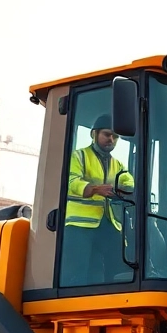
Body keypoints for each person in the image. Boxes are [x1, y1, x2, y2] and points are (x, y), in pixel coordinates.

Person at [64, 115, 135, 285]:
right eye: (107, 134)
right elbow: (71, 181)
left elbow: (129, 181)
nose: (111, 139)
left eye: (115, 136)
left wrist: (125, 188)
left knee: (119, 261)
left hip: (107, 220)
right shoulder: (79, 156)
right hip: (79, 224)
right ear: (93, 134)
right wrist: (96, 189)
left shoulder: (117, 164)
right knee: (79, 268)